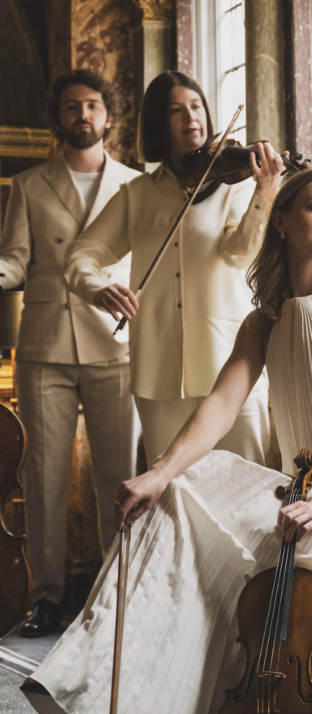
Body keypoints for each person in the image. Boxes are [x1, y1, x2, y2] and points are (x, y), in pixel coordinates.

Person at [23, 168, 312, 714]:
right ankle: (102, 691)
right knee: (171, 493)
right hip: (303, 496)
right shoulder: (264, 321)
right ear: (279, 221)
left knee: (193, 517)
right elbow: (218, 408)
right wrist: (157, 472)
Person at [64, 71, 284, 468]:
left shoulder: (237, 186)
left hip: (230, 367)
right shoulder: (137, 194)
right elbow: (82, 253)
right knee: (170, 498)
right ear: (158, 123)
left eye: (196, 106)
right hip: (158, 373)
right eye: (176, 110)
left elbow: (239, 253)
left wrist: (264, 194)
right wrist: (97, 288)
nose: (191, 117)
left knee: (246, 489)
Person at [0, 69, 140, 637]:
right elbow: (15, 259)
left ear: (109, 116)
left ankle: (116, 598)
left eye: (92, 106)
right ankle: (44, 598)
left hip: (115, 345)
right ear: (56, 117)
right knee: (43, 478)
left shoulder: (136, 184)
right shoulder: (30, 185)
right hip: (45, 347)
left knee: (119, 478)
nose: (82, 115)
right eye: (70, 107)